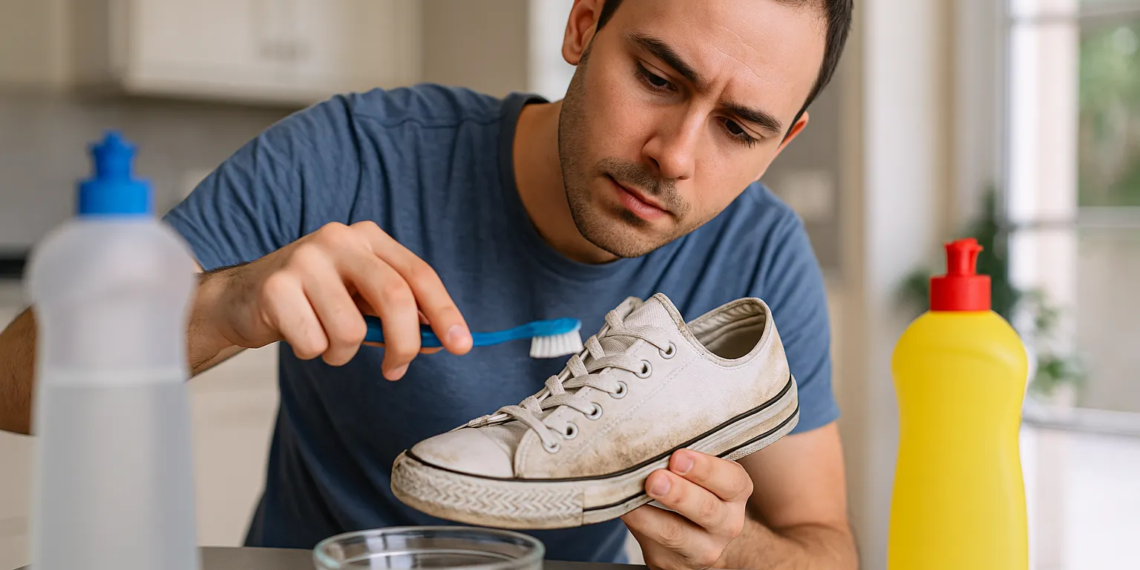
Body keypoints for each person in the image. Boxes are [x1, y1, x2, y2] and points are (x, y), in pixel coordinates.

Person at [0, 0, 858, 567]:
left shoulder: (758, 259)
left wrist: (731, 545)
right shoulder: (347, 157)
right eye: (658, 78)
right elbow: (12, 387)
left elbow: (825, 549)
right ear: (583, 24)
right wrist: (228, 305)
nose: (674, 154)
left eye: (740, 128)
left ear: (782, 143)